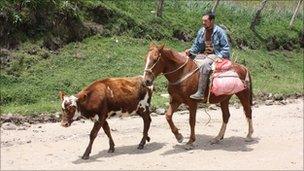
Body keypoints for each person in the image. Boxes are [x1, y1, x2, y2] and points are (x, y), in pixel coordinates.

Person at [185, 11, 231, 100]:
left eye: (205, 21)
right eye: (203, 21)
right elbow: (196, 45)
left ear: (212, 21)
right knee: (187, 59)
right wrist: (190, 51)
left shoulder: (219, 32)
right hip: (203, 54)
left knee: (205, 64)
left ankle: (201, 92)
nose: (203, 23)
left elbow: (226, 48)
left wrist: (219, 57)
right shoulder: (201, 31)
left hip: (215, 54)